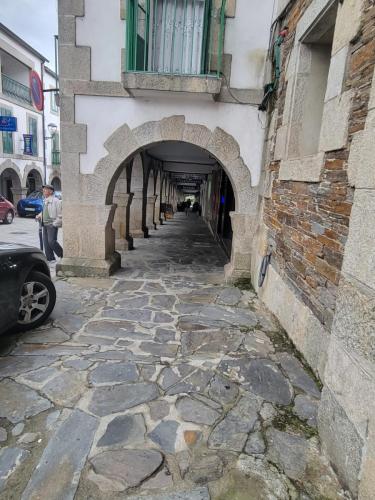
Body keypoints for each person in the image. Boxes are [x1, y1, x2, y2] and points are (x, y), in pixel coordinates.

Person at [36, 184, 63, 262]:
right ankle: (50, 258)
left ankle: (62, 254)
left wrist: (55, 223)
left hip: (52, 224)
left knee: (51, 241)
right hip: (44, 224)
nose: (43, 190)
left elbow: (60, 214)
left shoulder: (56, 201)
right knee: (46, 243)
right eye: (43, 189)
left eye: (45, 189)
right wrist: (39, 215)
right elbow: (44, 211)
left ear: (51, 191)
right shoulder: (45, 200)